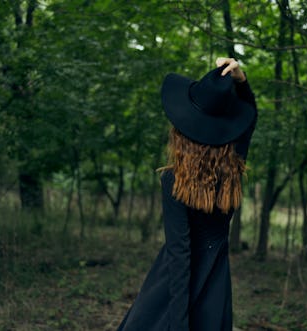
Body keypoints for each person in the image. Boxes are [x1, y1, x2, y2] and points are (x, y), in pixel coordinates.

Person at [117, 57, 257, 331]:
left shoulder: (173, 180)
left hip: (174, 285)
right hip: (215, 281)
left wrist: (178, 324)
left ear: (182, 128)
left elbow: (179, 256)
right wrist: (242, 81)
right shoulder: (232, 170)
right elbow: (249, 118)